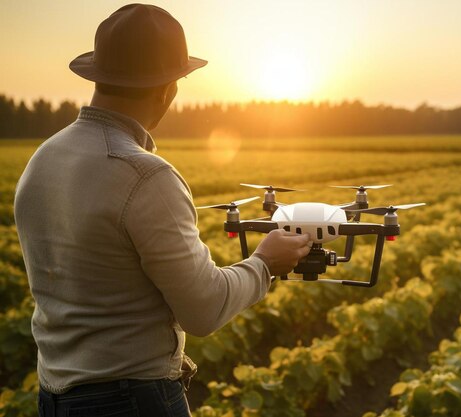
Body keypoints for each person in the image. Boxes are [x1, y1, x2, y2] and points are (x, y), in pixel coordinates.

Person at [13, 4, 311, 416]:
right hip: (131, 401)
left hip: (54, 397)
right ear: (167, 88)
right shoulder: (144, 175)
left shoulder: (42, 159)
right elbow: (203, 309)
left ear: (98, 75)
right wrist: (264, 264)